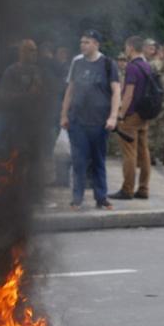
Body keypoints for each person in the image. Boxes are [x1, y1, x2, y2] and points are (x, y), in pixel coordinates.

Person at [59, 30, 120, 210]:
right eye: (82, 42)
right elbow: (70, 90)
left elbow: (116, 91)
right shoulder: (77, 62)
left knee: (98, 160)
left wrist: (113, 116)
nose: (82, 45)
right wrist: (63, 115)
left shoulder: (108, 64)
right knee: (79, 160)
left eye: (86, 42)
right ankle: (76, 198)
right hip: (78, 120)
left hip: (100, 122)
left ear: (96, 44)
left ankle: (101, 197)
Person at [110, 35, 151, 200]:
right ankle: (144, 188)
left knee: (129, 153)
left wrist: (120, 114)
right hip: (144, 115)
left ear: (132, 47)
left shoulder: (132, 67)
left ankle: (127, 189)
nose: (125, 50)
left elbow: (128, 94)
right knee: (144, 152)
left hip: (131, 115)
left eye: (126, 47)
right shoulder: (147, 65)